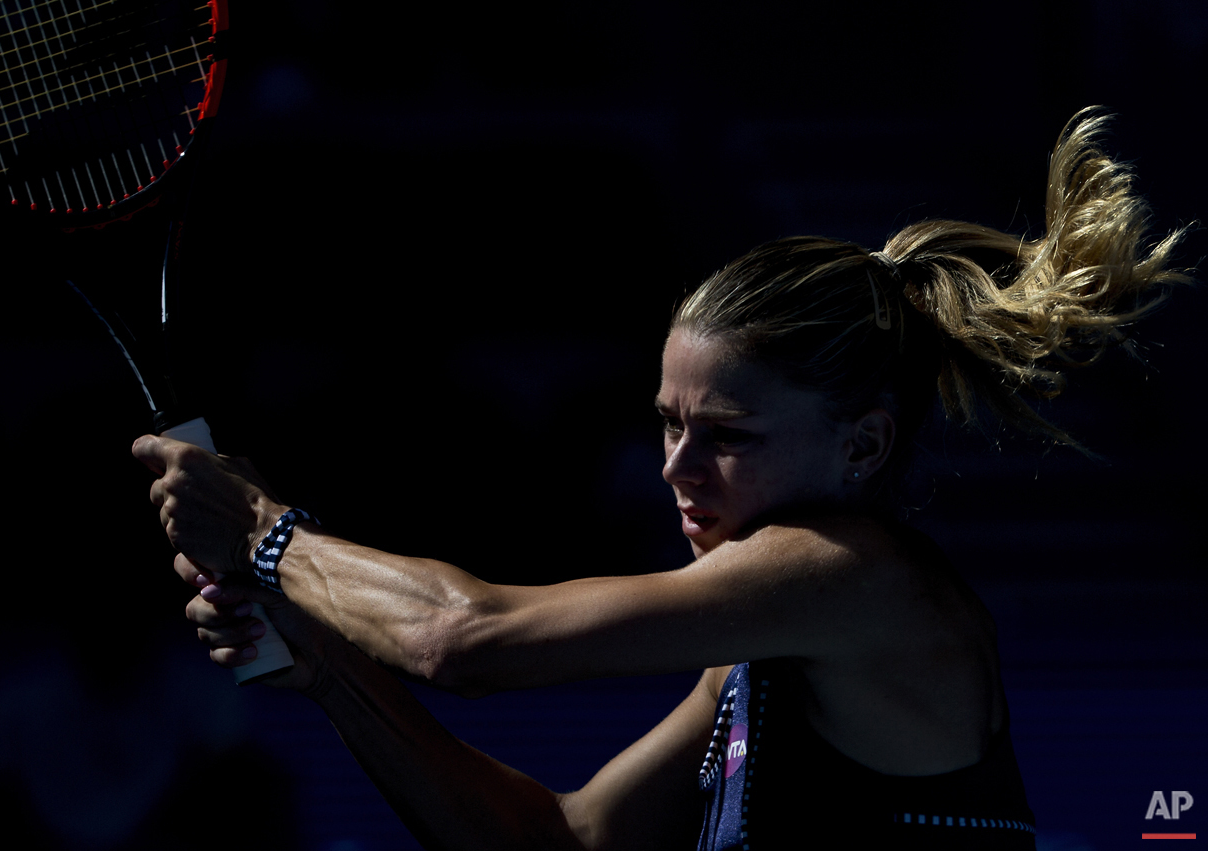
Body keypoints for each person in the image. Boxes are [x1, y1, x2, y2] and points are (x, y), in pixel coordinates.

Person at [132, 109, 1186, 849]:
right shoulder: (760, 649)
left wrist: (266, 529)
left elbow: (467, 639)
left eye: (726, 433)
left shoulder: (851, 579)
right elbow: (560, 839)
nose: (677, 468)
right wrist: (329, 673)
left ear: (862, 444)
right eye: (668, 424)